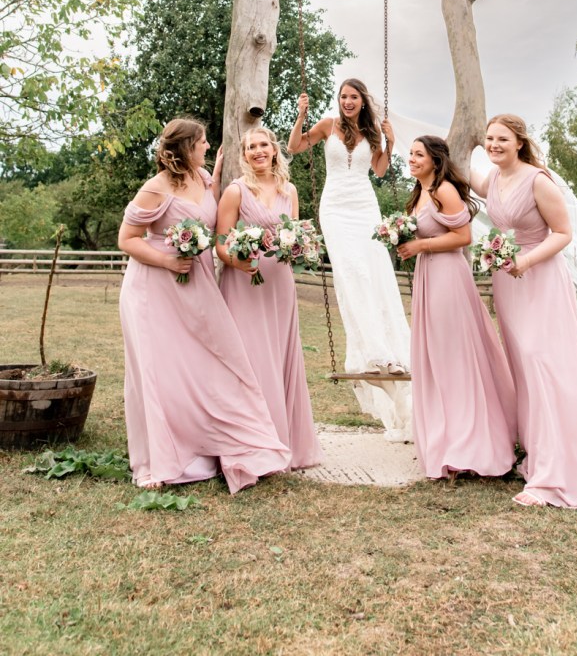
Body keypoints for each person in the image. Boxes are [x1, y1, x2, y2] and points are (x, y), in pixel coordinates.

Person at [118, 117, 291, 492]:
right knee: (161, 368)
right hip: (154, 285)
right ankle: (161, 456)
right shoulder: (155, 188)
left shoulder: (204, 179)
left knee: (203, 364)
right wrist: (166, 260)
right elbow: (127, 238)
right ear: (186, 148)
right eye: (203, 143)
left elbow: (214, 223)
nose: (209, 147)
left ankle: (208, 445)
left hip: (196, 283)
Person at [472, 114, 577, 508]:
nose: (493, 145)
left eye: (502, 139)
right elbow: (460, 176)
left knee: (546, 363)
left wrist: (526, 262)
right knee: (524, 367)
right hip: (509, 285)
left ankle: (564, 471)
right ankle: (540, 460)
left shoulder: (539, 180)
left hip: (540, 280)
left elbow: (563, 233)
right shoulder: (491, 180)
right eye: (489, 139)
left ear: (519, 142)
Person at [287, 79, 412, 442]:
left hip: (364, 205)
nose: (347, 102)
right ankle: (370, 350)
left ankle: (387, 348)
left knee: (373, 271)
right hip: (335, 208)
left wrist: (388, 142)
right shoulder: (327, 125)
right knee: (350, 271)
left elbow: (381, 171)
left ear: (362, 101)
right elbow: (295, 148)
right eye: (343, 96)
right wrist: (300, 116)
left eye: (353, 97)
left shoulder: (371, 132)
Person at [396, 136, 517, 480]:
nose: (412, 159)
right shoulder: (419, 193)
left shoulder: (443, 190)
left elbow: (463, 237)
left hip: (447, 276)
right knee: (436, 356)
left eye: (418, 154)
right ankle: (447, 438)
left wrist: (421, 243)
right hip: (428, 275)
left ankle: (469, 444)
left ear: (435, 160)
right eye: (410, 154)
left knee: (453, 355)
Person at [216, 126, 323, 471]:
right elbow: (220, 243)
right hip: (244, 283)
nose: (258, 151)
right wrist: (238, 261)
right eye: (251, 147)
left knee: (278, 355)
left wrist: (299, 247)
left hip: (279, 282)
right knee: (249, 357)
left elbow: (291, 233)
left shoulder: (288, 190)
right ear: (244, 154)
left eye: (264, 145)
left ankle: (283, 440)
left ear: (275, 150)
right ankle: (251, 444)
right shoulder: (235, 191)